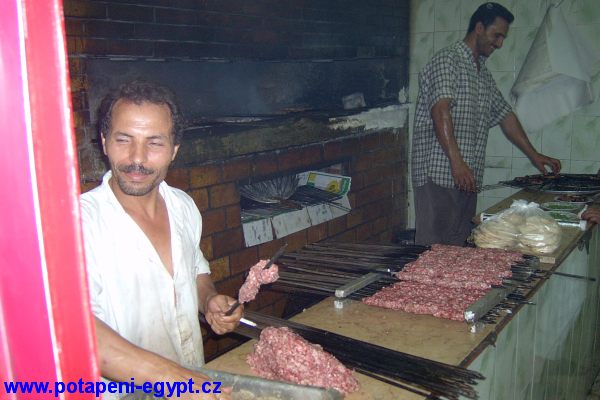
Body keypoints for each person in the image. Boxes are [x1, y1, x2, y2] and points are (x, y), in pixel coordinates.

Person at [80, 80, 242, 399]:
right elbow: (79, 331)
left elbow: (195, 269)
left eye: (154, 143)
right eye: (123, 140)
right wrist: (174, 379)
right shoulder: (77, 226)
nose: (136, 159)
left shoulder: (182, 206)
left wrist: (208, 299)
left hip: (191, 380)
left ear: (174, 150)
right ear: (104, 142)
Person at [411, 2, 561, 246]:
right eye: (497, 35)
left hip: (466, 177)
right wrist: (457, 163)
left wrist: (534, 155)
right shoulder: (448, 61)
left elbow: (505, 115)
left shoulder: (482, 73)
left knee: (459, 247)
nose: (500, 43)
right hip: (438, 175)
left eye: (503, 37)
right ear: (479, 28)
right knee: (432, 252)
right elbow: (441, 110)